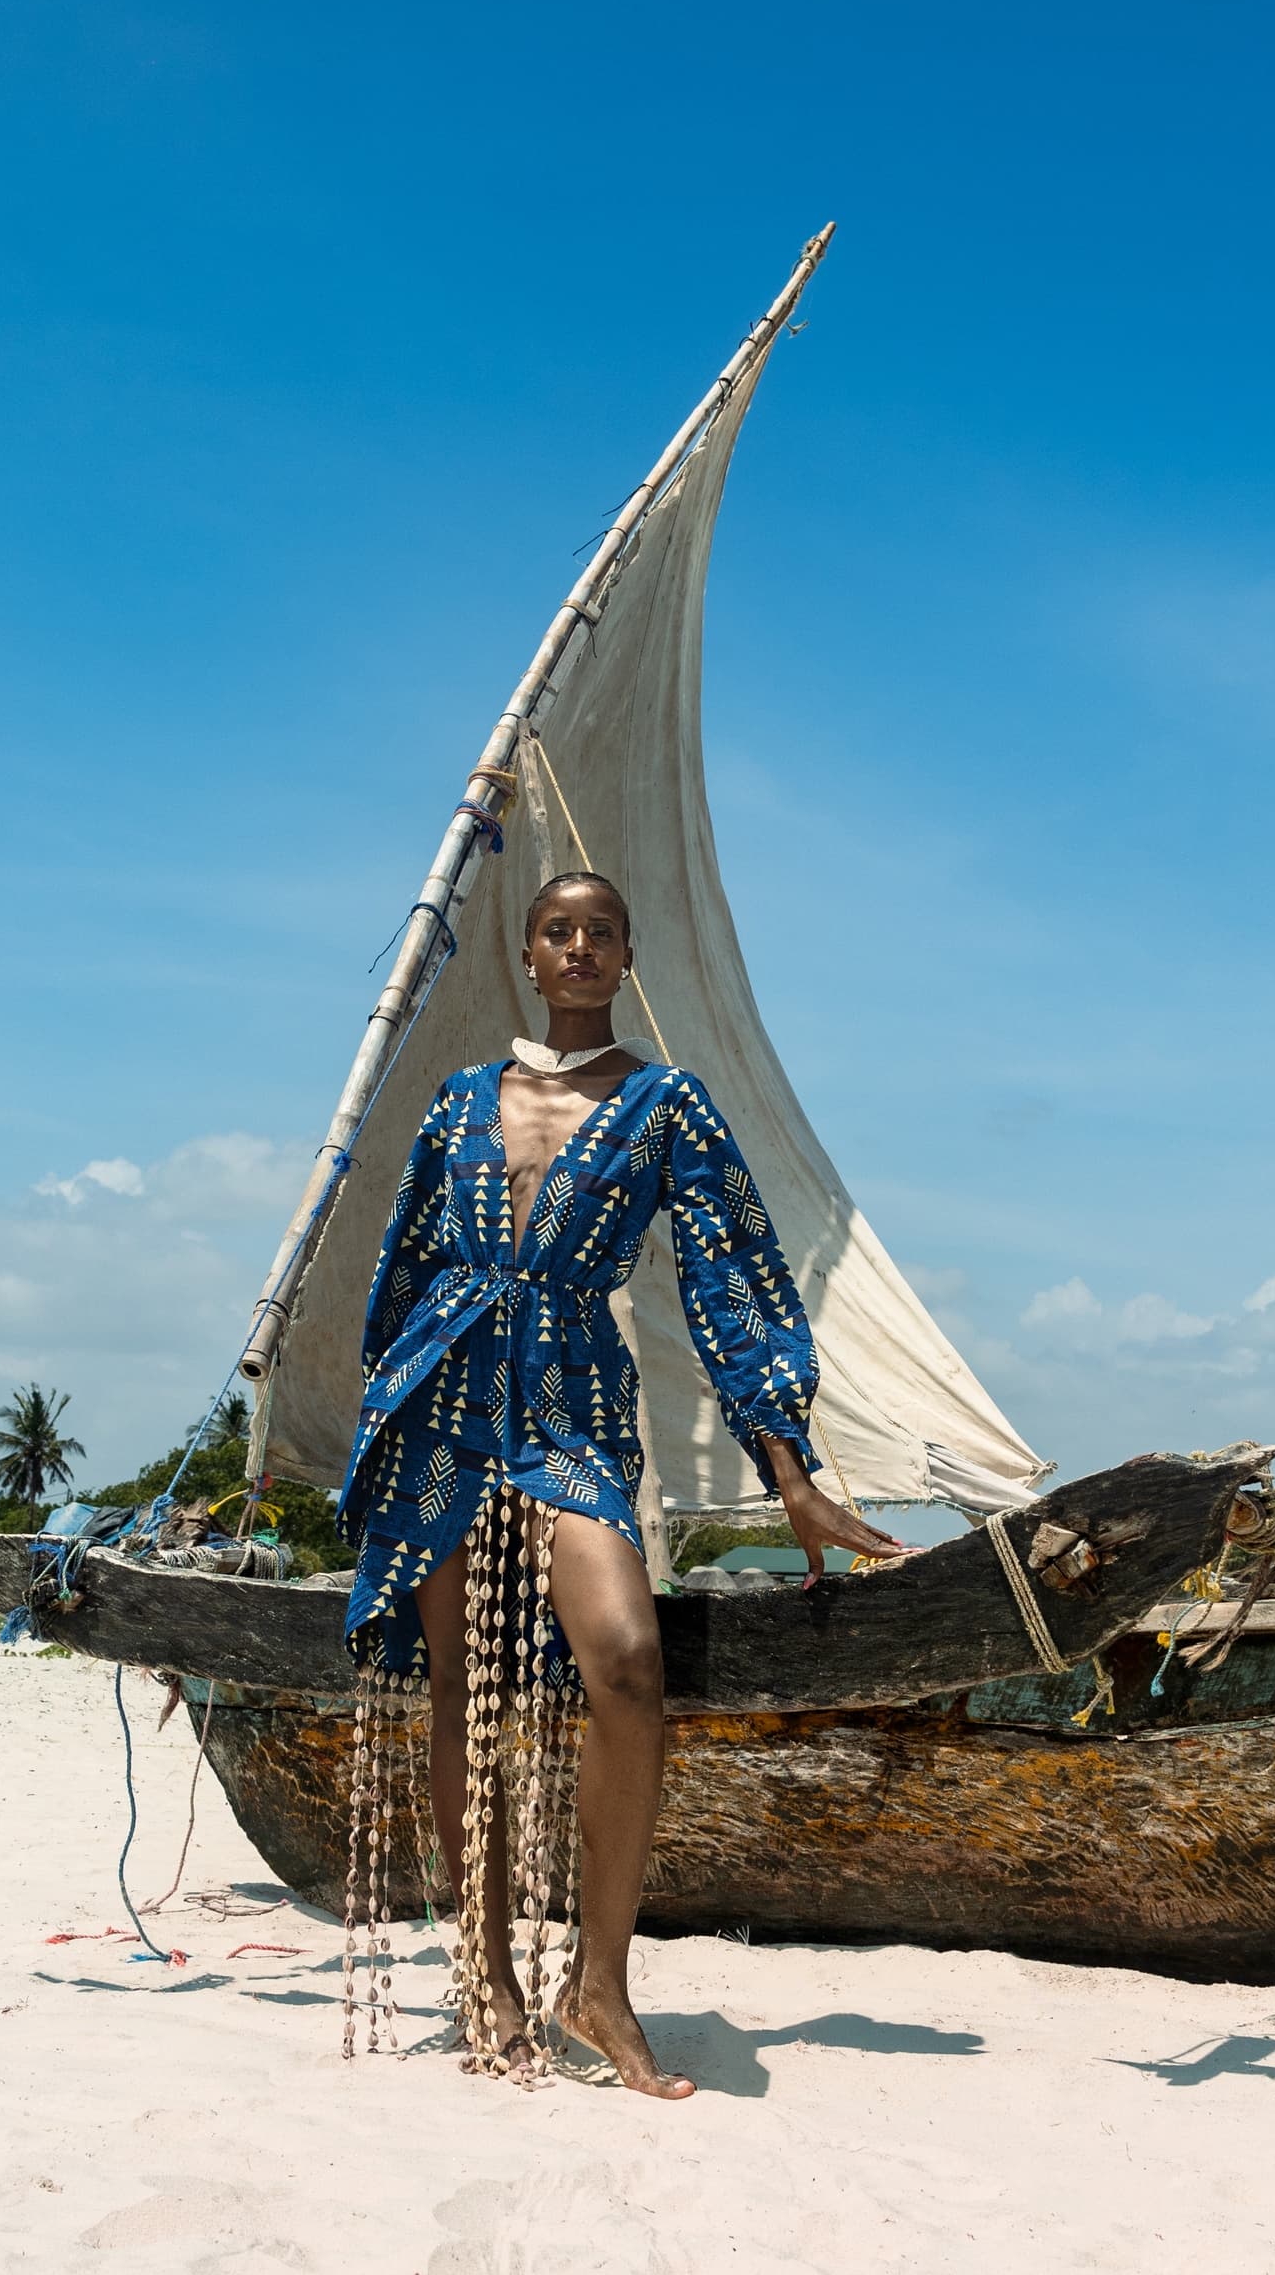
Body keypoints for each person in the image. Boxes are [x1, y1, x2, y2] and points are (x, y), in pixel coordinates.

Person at [336, 871, 906, 2097]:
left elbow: (733, 1276)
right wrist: (376, 1425)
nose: (579, 947)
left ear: (625, 958)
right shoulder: (455, 1102)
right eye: (557, 931)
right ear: (528, 957)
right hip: (441, 1400)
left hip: (571, 1407)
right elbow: (402, 1263)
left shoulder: (666, 1106)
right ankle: (485, 1969)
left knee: (626, 1662)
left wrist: (787, 1470)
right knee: (459, 1688)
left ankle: (597, 1984)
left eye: (600, 931)